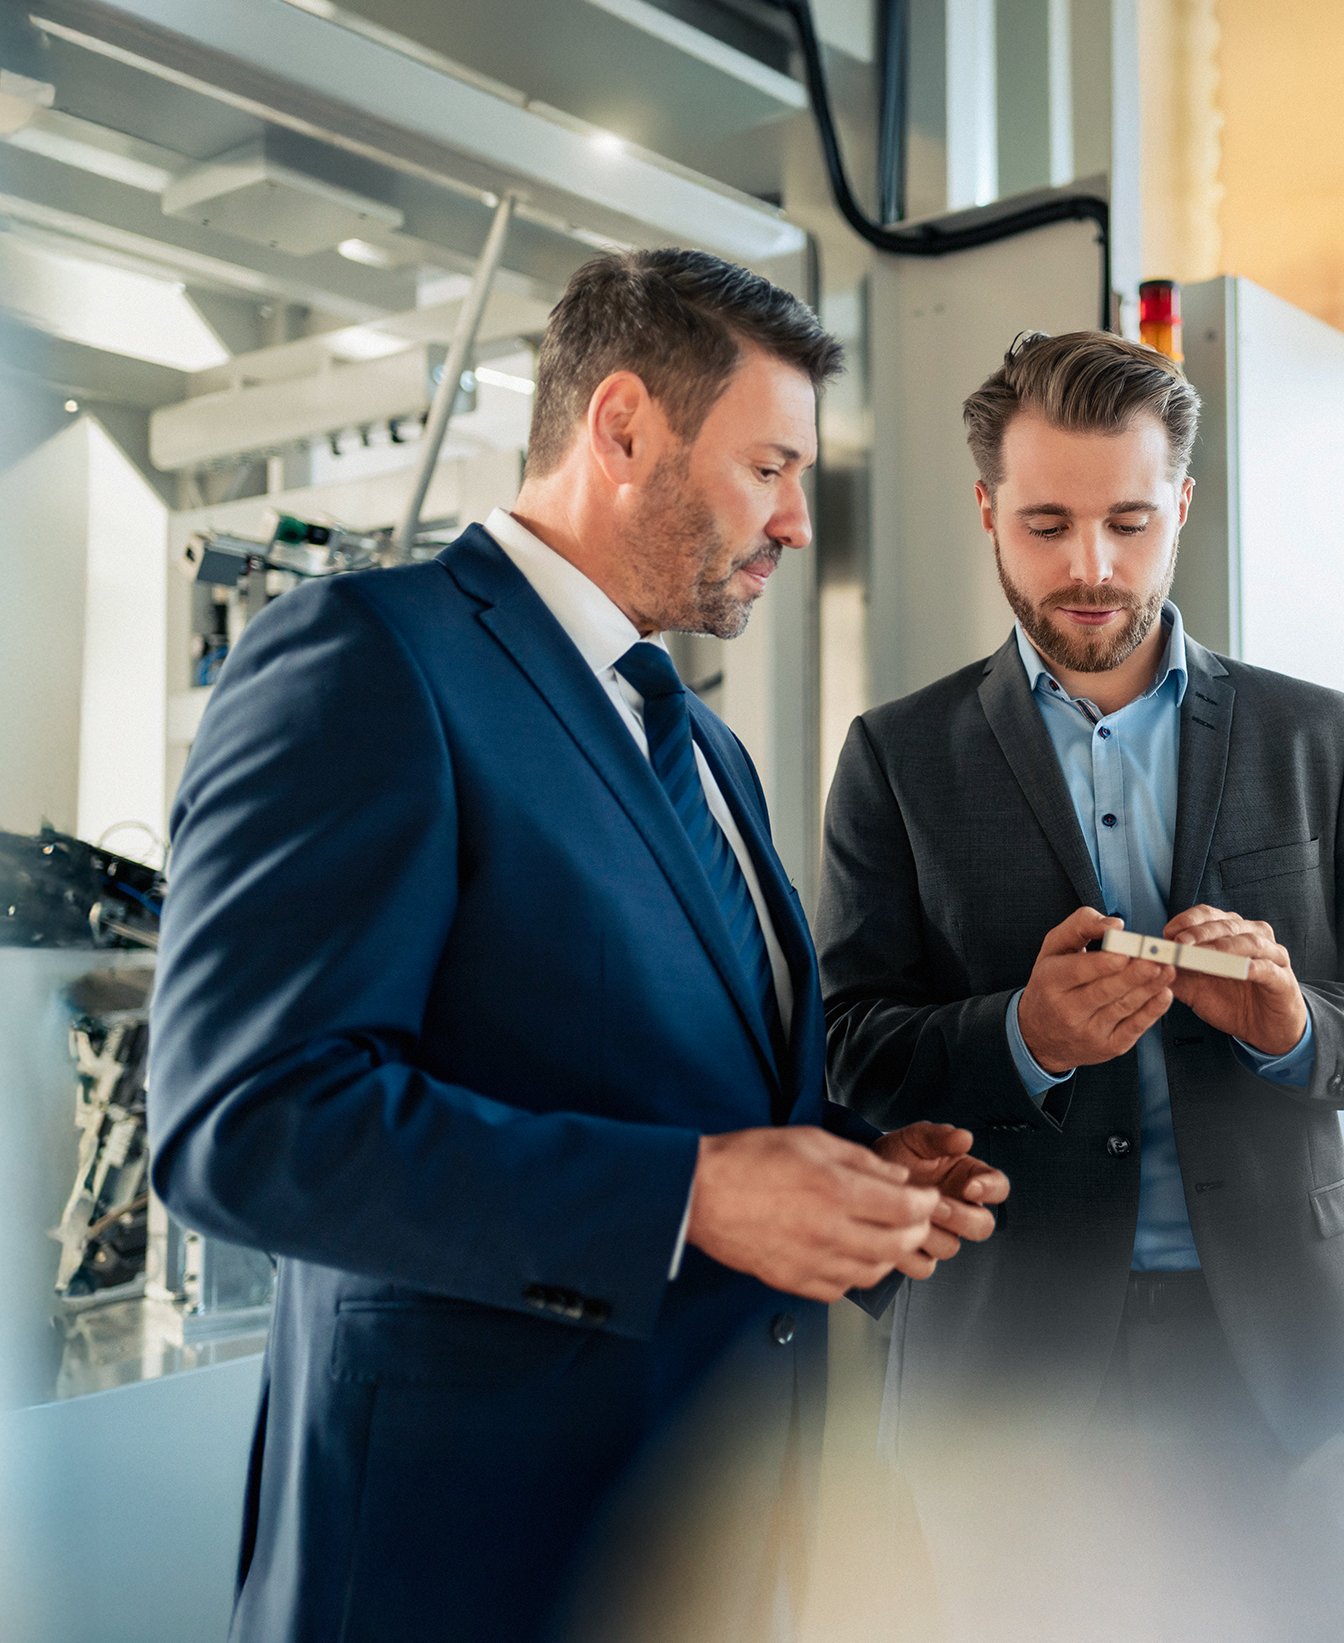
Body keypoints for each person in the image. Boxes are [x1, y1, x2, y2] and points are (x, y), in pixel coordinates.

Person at [147, 248, 1006, 1643]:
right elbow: (245, 1120)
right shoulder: (371, 661)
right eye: (768, 466)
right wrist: (689, 1196)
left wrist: (850, 1170)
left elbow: (677, 1080)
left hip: (700, 1550)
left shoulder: (707, 747)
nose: (794, 520)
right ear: (621, 427)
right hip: (462, 1565)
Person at [816, 329, 1344, 1551]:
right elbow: (848, 1048)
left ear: (1179, 502)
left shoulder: (1312, 736)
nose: (1090, 567)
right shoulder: (895, 757)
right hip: (1001, 1370)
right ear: (985, 509)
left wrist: (1296, 1026)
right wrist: (1020, 1034)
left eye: (1127, 520)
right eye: (1046, 524)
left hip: (1279, 1367)